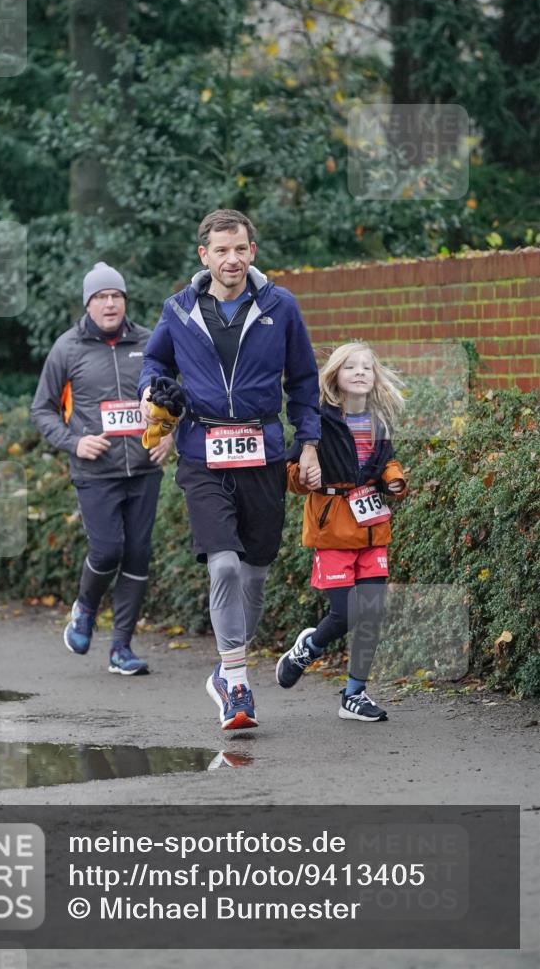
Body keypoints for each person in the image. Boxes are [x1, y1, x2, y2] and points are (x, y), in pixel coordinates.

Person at [139, 209, 320, 731]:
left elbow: (304, 382)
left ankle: (227, 666)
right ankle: (238, 685)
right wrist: (154, 393)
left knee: (254, 574)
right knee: (222, 566)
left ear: (252, 251)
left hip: (263, 451)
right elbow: (154, 364)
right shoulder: (179, 310)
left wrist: (307, 447)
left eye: (240, 248)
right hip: (202, 452)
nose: (232, 259)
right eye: (221, 250)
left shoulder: (280, 306)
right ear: (204, 255)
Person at [31, 262, 173, 675]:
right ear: (88, 304)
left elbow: (176, 397)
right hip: (96, 471)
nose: (110, 303)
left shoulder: (151, 342)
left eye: (116, 296)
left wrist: (169, 436)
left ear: (125, 300)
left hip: (145, 468)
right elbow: (42, 409)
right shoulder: (68, 348)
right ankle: (85, 609)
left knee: (138, 555)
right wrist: (74, 441)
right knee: (109, 548)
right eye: (100, 297)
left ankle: (121, 649)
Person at [277, 341, 407, 721]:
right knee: (345, 612)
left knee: (373, 612)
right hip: (332, 528)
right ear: (334, 375)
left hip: (372, 529)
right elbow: (291, 473)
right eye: (351, 367)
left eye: (367, 367)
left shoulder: (380, 420)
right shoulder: (315, 419)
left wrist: (395, 479)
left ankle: (354, 695)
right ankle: (308, 649)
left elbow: (387, 460)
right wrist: (304, 475)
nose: (361, 372)